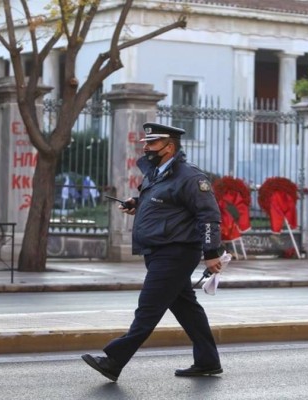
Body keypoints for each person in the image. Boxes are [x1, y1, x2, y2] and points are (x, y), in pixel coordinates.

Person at [81, 122, 225, 382]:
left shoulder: (191, 177)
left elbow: (209, 216)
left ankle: (114, 361)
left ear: (169, 147)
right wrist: (136, 203)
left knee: (148, 308)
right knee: (186, 309)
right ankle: (207, 361)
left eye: (152, 143)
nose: (146, 148)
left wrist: (212, 251)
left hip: (176, 252)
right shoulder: (157, 173)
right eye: (146, 143)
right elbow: (165, 204)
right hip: (158, 250)